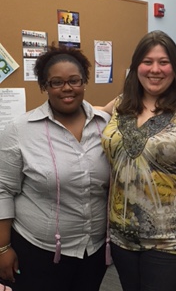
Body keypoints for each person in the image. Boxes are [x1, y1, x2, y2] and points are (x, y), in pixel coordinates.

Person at [0, 45, 111, 291]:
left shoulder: (105, 125)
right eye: (56, 82)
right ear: (44, 86)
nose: (67, 88)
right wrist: (3, 248)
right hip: (38, 251)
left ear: (84, 82)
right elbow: (3, 189)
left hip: (93, 251)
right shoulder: (20, 129)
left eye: (74, 81)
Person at [100, 30, 176, 291]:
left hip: (172, 241)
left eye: (163, 62)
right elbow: (87, 114)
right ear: (136, 67)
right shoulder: (122, 104)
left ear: (175, 68)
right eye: (147, 62)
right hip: (122, 239)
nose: (154, 69)